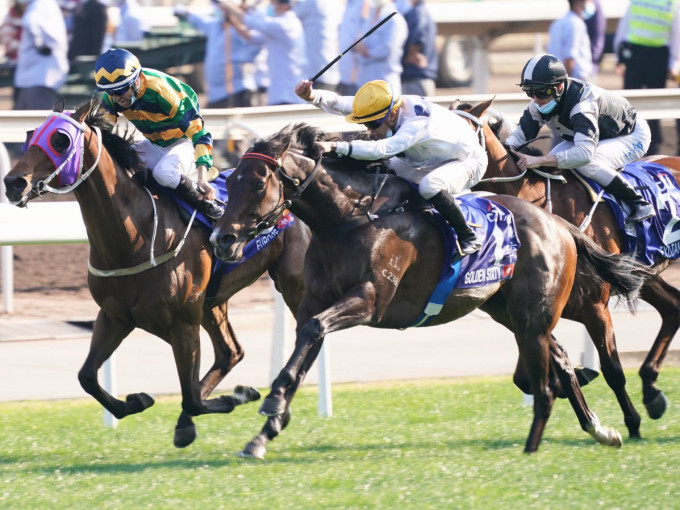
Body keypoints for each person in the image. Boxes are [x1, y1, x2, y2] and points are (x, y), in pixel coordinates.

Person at [295, 78, 488, 255]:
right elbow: (339, 102)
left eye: (373, 124)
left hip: (467, 161)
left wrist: (336, 146)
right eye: (365, 123)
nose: (370, 130)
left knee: (430, 186)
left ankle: (468, 235)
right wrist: (312, 96)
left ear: (393, 115)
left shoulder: (417, 123)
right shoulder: (384, 106)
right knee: (385, 171)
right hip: (428, 159)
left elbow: (382, 149)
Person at [506, 53, 654, 224]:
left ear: (559, 87)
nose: (536, 99)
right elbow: (519, 136)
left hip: (631, 135)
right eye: (529, 92)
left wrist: (540, 159)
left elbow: (584, 154)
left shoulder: (583, 105)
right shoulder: (538, 104)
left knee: (588, 164)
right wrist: (503, 148)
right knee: (555, 164)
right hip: (593, 135)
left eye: (541, 91)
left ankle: (638, 203)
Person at [93, 48, 224, 221]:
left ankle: (209, 206)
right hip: (155, 144)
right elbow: (102, 132)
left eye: (121, 91)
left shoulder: (162, 92)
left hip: (185, 143)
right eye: (110, 92)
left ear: (136, 81)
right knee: (120, 161)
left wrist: (202, 177)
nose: (115, 98)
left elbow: (200, 134)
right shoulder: (113, 96)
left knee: (163, 173)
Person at [614, 0, 680, 155]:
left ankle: (650, 145)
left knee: (639, 104)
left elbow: (624, 27)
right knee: (633, 105)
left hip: (645, 55)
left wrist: (620, 56)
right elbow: (677, 32)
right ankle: (647, 145)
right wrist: (674, 61)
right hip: (654, 55)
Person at [218, 0, 305, 106]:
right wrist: (232, 18)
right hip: (280, 90)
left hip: (287, 92)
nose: (271, 6)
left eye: (274, 3)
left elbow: (252, 22)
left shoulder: (285, 23)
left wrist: (229, 6)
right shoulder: (278, 26)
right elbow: (252, 38)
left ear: (284, 6)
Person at [174, 0, 259, 108]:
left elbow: (255, 44)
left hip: (235, 91)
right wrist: (186, 12)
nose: (220, 9)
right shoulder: (215, 25)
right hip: (215, 94)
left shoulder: (243, 30)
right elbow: (200, 21)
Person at [13, 0, 69, 110]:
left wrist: (39, 43)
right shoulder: (45, 5)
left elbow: (31, 22)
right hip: (35, 76)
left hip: (40, 76)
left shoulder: (40, 5)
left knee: (36, 120)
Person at [355, 0, 408, 97]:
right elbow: (358, 42)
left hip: (385, 80)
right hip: (365, 80)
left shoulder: (395, 20)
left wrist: (365, 52)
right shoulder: (369, 18)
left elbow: (387, 49)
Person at [294, 0, 342, 91]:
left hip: (317, 72)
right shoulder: (336, 4)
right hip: (330, 72)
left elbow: (292, 12)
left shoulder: (314, 2)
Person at [546, 0, 593, 82]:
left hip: (557, 75)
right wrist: (565, 82)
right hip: (577, 79)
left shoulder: (557, 23)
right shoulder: (576, 23)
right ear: (577, 3)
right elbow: (570, 57)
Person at [401, 0, 438, 97]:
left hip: (415, 77)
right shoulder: (422, 11)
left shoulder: (417, 12)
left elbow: (418, 35)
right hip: (420, 77)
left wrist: (412, 53)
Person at [336, 0, 369, 96]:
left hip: (355, 74)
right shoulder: (347, 4)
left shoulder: (365, 3)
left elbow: (363, 33)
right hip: (343, 72)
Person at [584, 0, 606, 77]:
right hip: (580, 64)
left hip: (588, 66)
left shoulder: (594, 4)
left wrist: (592, 58)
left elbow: (598, 33)